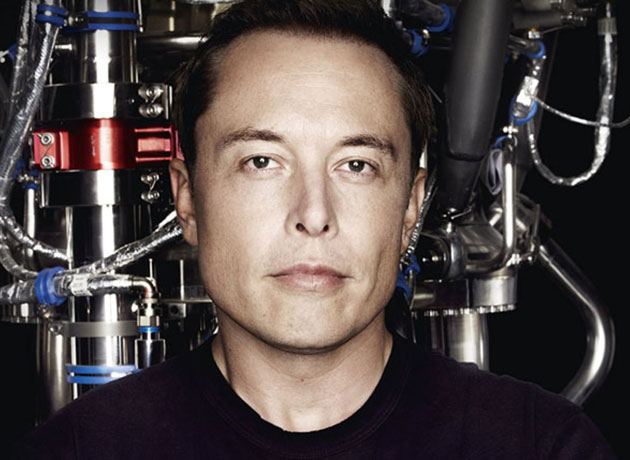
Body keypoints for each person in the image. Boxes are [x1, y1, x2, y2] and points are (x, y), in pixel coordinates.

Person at [14, 0, 616, 458]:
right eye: (262, 161)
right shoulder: (81, 450)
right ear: (188, 198)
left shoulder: (540, 446)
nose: (313, 213)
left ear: (411, 206)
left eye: (356, 165)